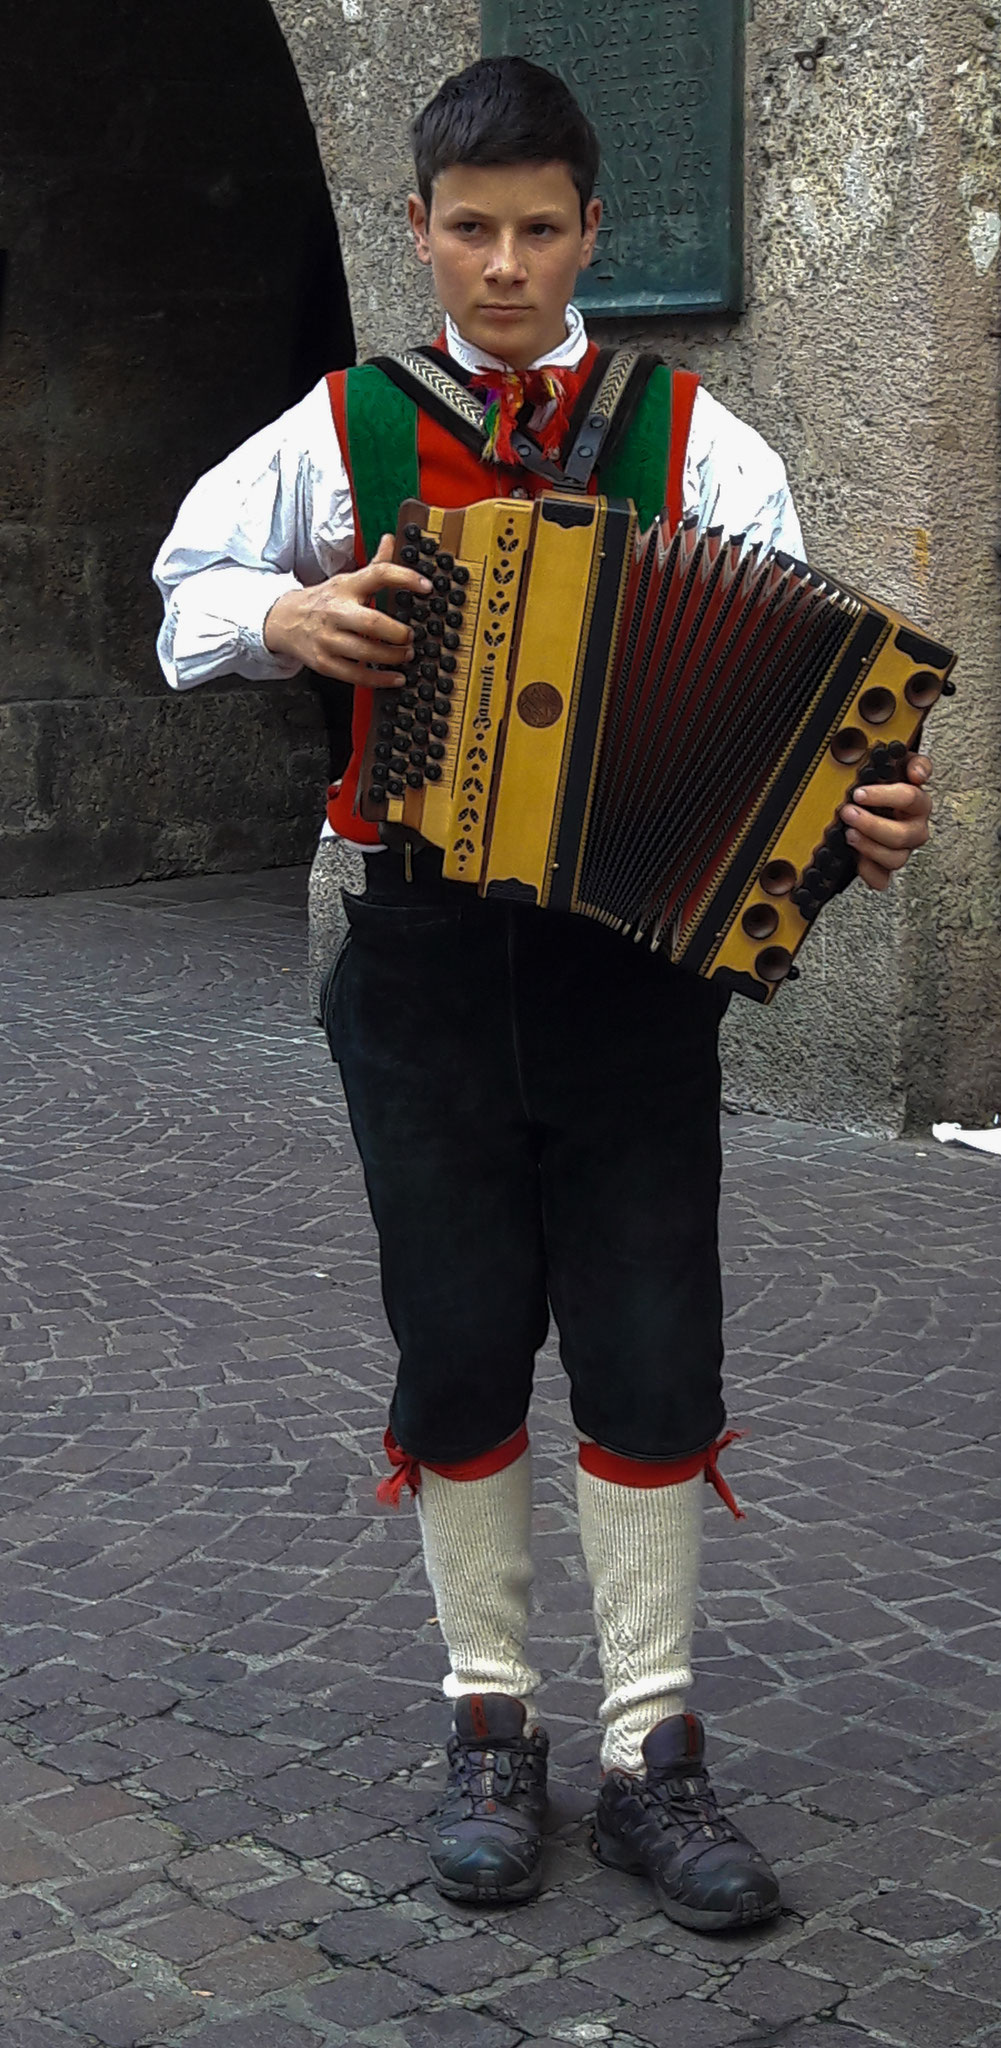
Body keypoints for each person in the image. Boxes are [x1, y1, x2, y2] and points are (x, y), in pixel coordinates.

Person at [154, 57, 934, 1933]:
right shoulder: (338, 429)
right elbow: (182, 587)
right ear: (418, 232)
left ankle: (651, 1749)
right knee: (455, 1343)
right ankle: (487, 1722)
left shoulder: (702, 439)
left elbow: (804, 697)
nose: (503, 262)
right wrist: (284, 617)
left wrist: (862, 817)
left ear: (591, 231)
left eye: (537, 228)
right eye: (469, 228)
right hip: (420, 966)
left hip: (626, 978)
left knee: (657, 1353)